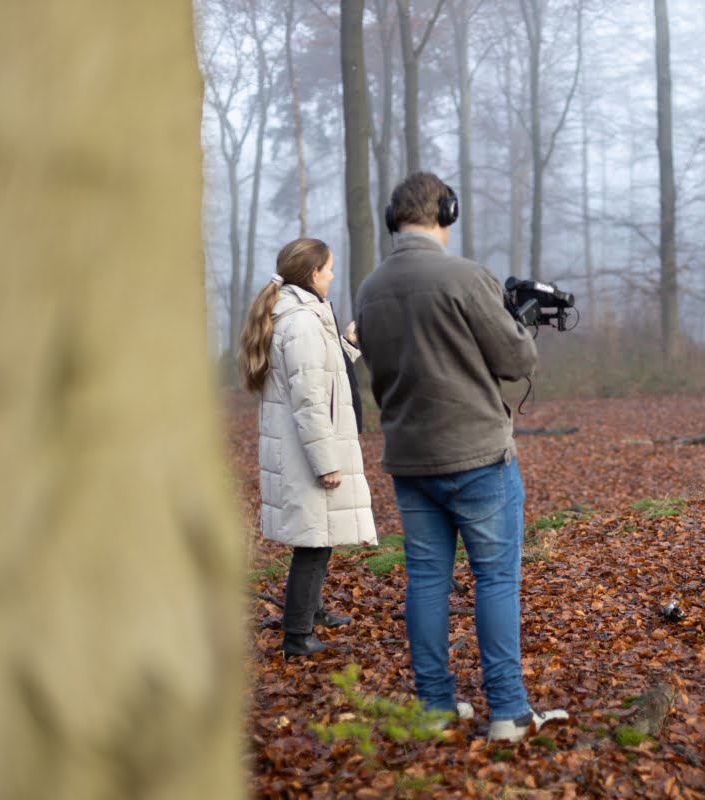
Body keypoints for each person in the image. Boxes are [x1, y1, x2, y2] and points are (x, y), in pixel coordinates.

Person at [355, 171, 568, 742]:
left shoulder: (369, 288)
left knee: (426, 581)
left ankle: (434, 708)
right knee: (495, 579)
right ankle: (508, 711)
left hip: (409, 456)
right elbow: (515, 361)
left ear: (392, 219)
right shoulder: (467, 277)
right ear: (446, 212)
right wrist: (521, 326)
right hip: (476, 453)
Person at [239, 238, 378, 657]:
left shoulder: (302, 317)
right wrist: (326, 461)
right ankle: (297, 636)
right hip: (306, 450)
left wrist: (348, 346)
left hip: (303, 446)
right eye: (329, 268)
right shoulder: (299, 322)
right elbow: (309, 400)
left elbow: (322, 377)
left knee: (320, 534)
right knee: (313, 544)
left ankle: (312, 612)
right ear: (313, 273)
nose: (333, 274)